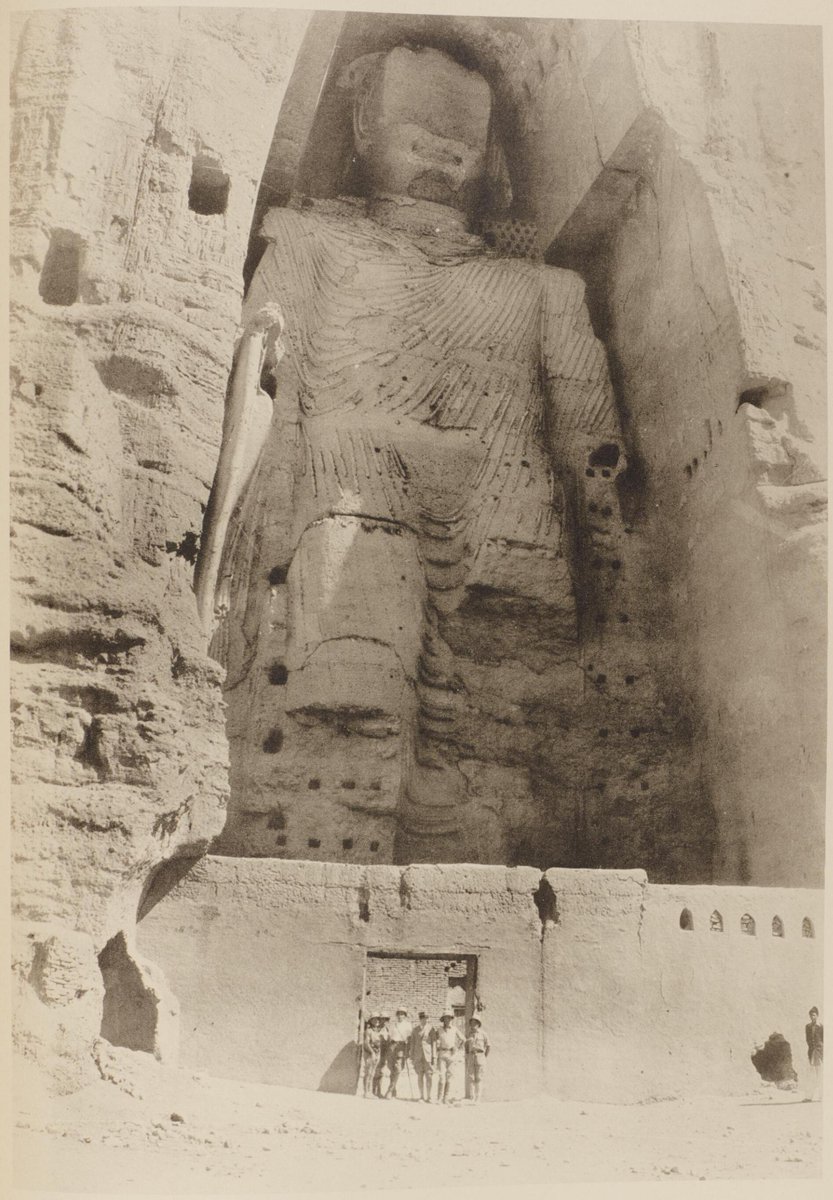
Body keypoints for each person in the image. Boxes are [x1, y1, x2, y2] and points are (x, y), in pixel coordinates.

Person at [435, 1009, 465, 1104]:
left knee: (449, 1077)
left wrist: (457, 1048)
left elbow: (463, 1039)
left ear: (451, 1019)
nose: (447, 1020)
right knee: (441, 1077)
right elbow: (434, 1040)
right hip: (442, 1054)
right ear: (443, 1019)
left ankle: (446, 1098)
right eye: (445, 1018)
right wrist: (436, 1048)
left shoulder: (454, 1029)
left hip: (451, 1055)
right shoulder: (439, 1030)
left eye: (449, 1018)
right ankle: (439, 1098)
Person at [385, 1006, 414, 1099]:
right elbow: (389, 1037)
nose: (400, 1016)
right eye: (399, 1014)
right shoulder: (393, 1025)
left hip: (401, 1047)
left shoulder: (408, 1025)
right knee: (391, 1069)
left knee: (398, 1069)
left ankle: (390, 1090)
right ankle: (393, 1089)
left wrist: (408, 1050)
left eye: (402, 1014)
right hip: (392, 1046)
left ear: (405, 1015)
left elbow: (410, 1039)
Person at [410, 1010, 437, 1103]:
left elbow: (434, 1043)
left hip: (428, 1056)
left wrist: (434, 1056)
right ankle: (421, 1096)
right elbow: (412, 1043)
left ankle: (429, 1096)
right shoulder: (415, 1030)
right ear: (420, 1019)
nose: (424, 1020)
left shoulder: (431, 1029)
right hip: (418, 1056)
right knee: (420, 1076)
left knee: (429, 1076)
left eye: (426, 1018)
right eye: (422, 1018)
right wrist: (411, 1056)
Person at [465, 1015, 490, 1103]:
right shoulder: (468, 1034)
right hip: (471, 1056)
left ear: (478, 1024)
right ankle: (472, 1097)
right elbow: (466, 1046)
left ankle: (478, 1098)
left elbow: (488, 1046)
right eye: (472, 1023)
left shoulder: (483, 1034)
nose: (473, 1024)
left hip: (480, 1056)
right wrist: (468, 1055)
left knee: (479, 1077)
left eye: (475, 1023)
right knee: (471, 1077)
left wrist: (484, 1056)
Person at [361, 1013, 384, 1099]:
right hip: (370, 1054)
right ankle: (366, 1092)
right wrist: (372, 1052)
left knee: (373, 1072)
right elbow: (366, 1043)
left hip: (377, 1053)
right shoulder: (369, 1031)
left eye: (378, 1019)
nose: (377, 1021)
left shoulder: (377, 1031)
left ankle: (370, 1091)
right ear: (371, 1021)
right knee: (368, 1072)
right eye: (374, 1019)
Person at [805, 1006, 823, 1101]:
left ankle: (821, 1096)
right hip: (811, 1053)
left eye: (814, 1015)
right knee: (811, 1074)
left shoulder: (821, 1026)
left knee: (820, 1074)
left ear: (817, 1015)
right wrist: (811, 1049)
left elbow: (824, 1040)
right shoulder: (807, 1027)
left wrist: (820, 1050)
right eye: (811, 1015)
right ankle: (809, 1096)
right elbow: (807, 1039)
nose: (812, 1017)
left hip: (819, 1053)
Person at [372, 1011, 391, 1098]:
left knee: (381, 1072)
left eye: (386, 1019)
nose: (384, 1021)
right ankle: (373, 1091)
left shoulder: (387, 1029)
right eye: (382, 1019)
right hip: (378, 1052)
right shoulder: (376, 1029)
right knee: (376, 1071)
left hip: (384, 1053)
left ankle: (379, 1091)